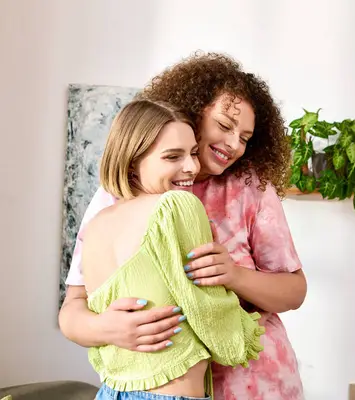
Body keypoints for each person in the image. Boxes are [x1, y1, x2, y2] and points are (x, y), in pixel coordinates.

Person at [59, 52, 307, 400]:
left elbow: (295, 291)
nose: (234, 144)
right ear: (193, 113)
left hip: (255, 381)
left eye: (246, 137)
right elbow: (73, 306)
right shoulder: (118, 194)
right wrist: (104, 328)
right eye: (224, 126)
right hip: (165, 385)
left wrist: (234, 276)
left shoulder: (251, 188)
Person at [83, 98, 265, 400]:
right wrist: (247, 335)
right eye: (172, 157)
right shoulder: (176, 205)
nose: (192, 167)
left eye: (193, 153)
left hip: (111, 391)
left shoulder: (98, 224)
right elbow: (210, 315)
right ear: (132, 162)